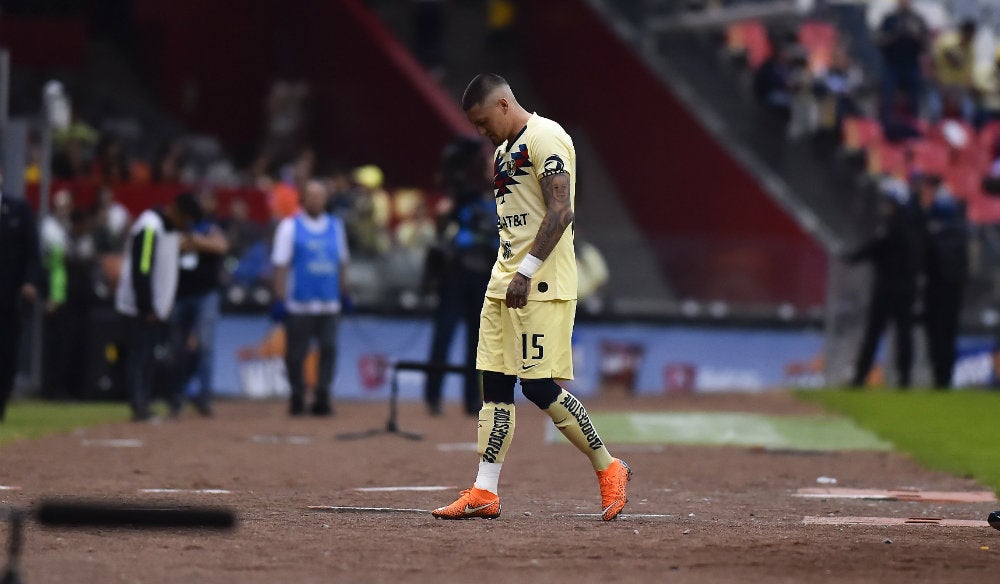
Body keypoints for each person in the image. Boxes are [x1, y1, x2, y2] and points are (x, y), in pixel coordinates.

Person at [431, 74, 631, 521]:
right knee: (495, 387)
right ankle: (485, 490)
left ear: (503, 105)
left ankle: (610, 467)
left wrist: (525, 271)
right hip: (503, 282)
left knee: (539, 387)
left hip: (540, 284)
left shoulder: (548, 137)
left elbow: (561, 212)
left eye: (483, 122)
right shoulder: (503, 150)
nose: (481, 133)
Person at [422, 136, 498, 416]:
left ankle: (471, 399)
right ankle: (433, 396)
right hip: (457, 271)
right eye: (490, 159)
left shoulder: (508, 198)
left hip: (484, 276)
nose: (494, 164)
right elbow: (452, 161)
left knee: (477, 342)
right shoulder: (464, 192)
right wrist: (480, 144)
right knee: (444, 334)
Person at [115, 192, 202, 422]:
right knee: (139, 357)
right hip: (140, 307)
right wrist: (147, 306)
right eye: (185, 219)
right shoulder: (150, 226)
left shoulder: (170, 231)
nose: (186, 225)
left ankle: (144, 402)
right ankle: (138, 404)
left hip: (158, 308)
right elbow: (142, 268)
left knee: (149, 358)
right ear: (175, 211)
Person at [270, 179, 350, 417]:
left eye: (320, 195)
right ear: (303, 199)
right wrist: (279, 297)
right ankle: (297, 395)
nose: (316, 200)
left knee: (329, 348)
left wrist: (344, 292)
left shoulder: (336, 226)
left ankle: (322, 396)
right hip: (299, 303)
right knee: (295, 354)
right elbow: (281, 265)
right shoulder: (290, 227)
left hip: (329, 302)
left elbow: (342, 262)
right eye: (311, 195)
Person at [845, 179, 923, 388]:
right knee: (900, 334)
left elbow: (877, 248)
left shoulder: (896, 227)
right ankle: (902, 378)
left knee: (878, 334)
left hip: (890, 289)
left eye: (889, 202)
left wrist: (853, 257)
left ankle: (863, 377)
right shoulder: (912, 225)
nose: (885, 207)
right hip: (903, 288)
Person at [170, 190, 229, 417]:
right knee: (177, 349)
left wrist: (195, 242)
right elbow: (174, 245)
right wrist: (194, 243)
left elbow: (221, 245)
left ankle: (204, 398)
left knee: (205, 346)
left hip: (206, 294)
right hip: (180, 294)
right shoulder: (178, 224)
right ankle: (177, 396)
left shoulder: (210, 225)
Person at [915, 176, 968, 389]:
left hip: (937, 292)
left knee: (936, 336)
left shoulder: (933, 235)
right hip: (952, 293)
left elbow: (925, 264)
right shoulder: (961, 235)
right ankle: (944, 378)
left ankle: (941, 377)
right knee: (947, 335)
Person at [0, 173, 41, 421]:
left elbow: (33, 251)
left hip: (9, 298)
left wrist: (30, 281)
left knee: (7, 354)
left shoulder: (18, 210)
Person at [876, 0, 930, 125]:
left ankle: (914, 128)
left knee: (914, 100)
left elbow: (926, 45)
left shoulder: (918, 19)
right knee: (887, 99)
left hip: (911, 66)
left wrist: (915, 35)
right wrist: (896, 33)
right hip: (892, 66)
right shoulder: (890, 19)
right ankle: (884, 126)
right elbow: (879, 42)